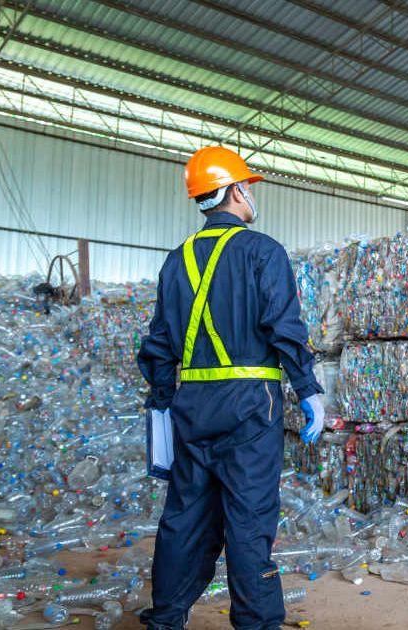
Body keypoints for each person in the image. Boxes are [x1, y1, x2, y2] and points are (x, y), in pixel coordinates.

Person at [136, 146, 327, 629]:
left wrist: (162, 402)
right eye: (248, 186)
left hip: (191, 407)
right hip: (249, 408)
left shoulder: (176, 261)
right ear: (236, 190)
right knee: (248, 518)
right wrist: (308, 390)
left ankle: (166, 618)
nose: (251, 195)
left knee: (185, 516)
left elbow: (159, 344)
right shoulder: (263, 251)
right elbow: (284, 328)